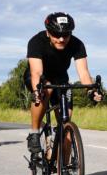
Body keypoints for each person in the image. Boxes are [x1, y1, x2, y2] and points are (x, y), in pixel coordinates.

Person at [25, 12, 101, 155]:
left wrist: (91, 91)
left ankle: (66, 174)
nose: (61, 39)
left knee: (66, 125)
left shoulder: (77, 44)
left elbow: (84, 72)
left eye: (66, 35)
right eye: (56, 35)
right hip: (39, 77)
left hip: (60, 79)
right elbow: (36, 73)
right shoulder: (36, 41)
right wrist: (36, 91)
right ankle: (34, 133)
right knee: (45, 89)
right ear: (48, 32)